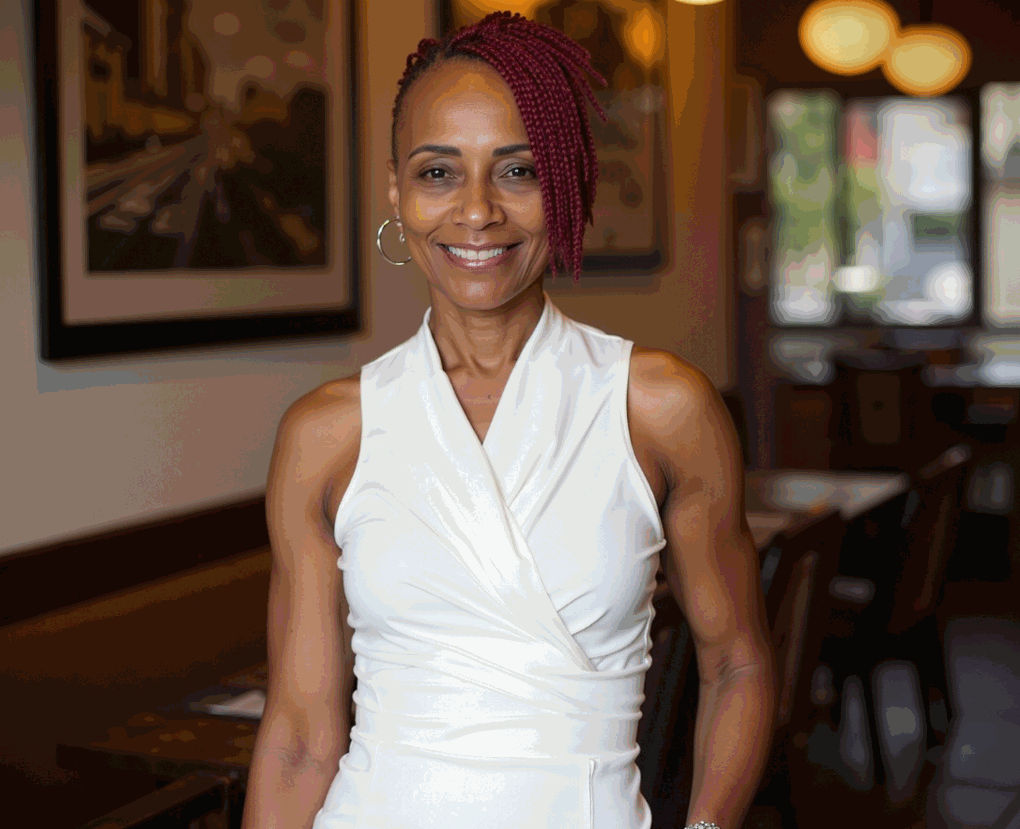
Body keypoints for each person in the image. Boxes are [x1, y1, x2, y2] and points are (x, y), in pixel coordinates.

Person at [242, 11, 776, 829]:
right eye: (438, 173)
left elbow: (737, 660)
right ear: (397, 190)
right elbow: (299, 736)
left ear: (564, 183)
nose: (478, 212)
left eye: (518, 170)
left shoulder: (662, 407)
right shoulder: (326, 433)